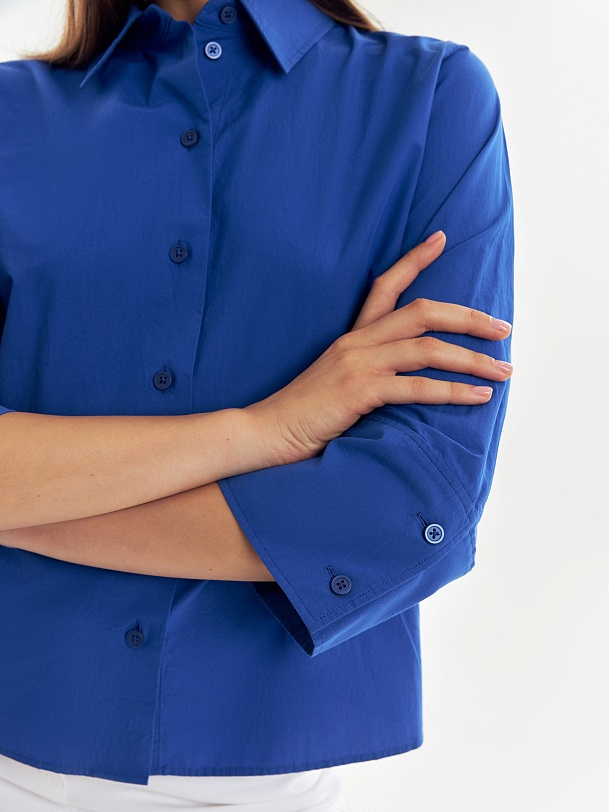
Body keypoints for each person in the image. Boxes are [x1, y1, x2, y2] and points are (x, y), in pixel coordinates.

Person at [0, 0, 514, 809]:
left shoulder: (431, 99)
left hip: (271, 780)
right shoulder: (11, 115)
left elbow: (413, 503)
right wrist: (265, 430)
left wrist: (28, 499)